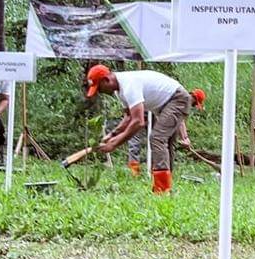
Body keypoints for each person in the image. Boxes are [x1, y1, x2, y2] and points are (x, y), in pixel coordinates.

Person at [85, 65, 203, 193]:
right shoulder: (120, 91)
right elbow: (128, 117)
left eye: (99, 88)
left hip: (177, 99)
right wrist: (112, 135)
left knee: (157, 138)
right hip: (165, 104)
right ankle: (165, 185)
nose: (99, 92)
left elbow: (138, 122)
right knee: (164, 142)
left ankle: (162, 189)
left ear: (106, 80)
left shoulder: (128, 85)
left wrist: (114, 144)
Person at [125, 88, 206, 177]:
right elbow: (180, 121)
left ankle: (155, 172)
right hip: (144, 107)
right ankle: (137, 172)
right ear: (194, 99)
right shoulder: (184, 99)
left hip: (148, 107)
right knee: (142, 140)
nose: (192, 106)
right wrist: (185, 138)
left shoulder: (175, 94)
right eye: (194, 104)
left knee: (155, 143)